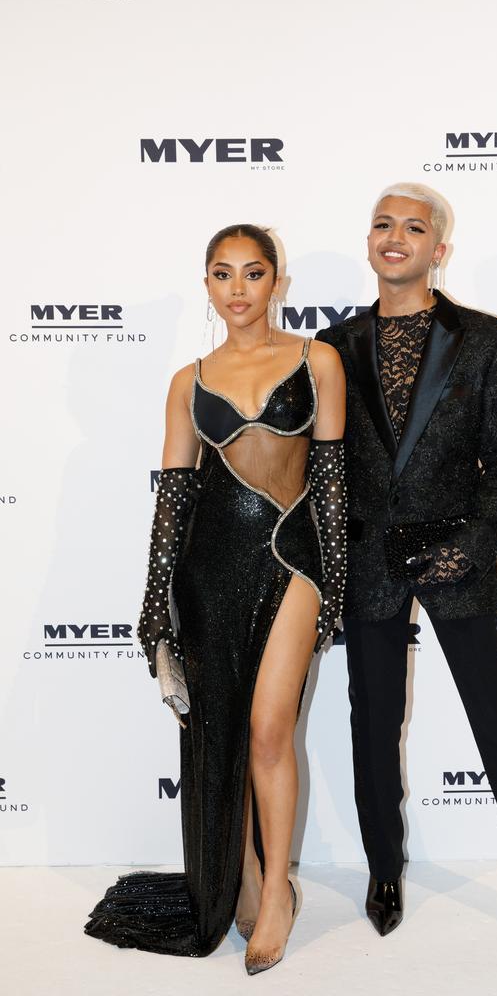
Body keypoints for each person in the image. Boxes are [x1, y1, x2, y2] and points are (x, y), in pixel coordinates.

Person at [316, 184, 497, 970]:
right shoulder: (330, 345)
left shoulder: (490, 340)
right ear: (370, 243)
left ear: (440, 250)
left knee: (496, 723)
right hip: (367, 563)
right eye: (382, 224)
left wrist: (472, 542)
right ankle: (384, 872)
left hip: (454, 555)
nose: (395, 237)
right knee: (371, 725)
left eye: (414, 227)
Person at [84, 224, 347, 974]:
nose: (238, 289)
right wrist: (154, 605)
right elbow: (172, 500)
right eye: (223, 275)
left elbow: (330, 483)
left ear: (277, 283)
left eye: (254, 273)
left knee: (269, 729)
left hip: (291, 561)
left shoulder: (316, 359)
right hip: (207, 570)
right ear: (207, 286)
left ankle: (276, 902)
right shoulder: (187, 382)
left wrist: (333, 586)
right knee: (223, 734)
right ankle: (249, 877)